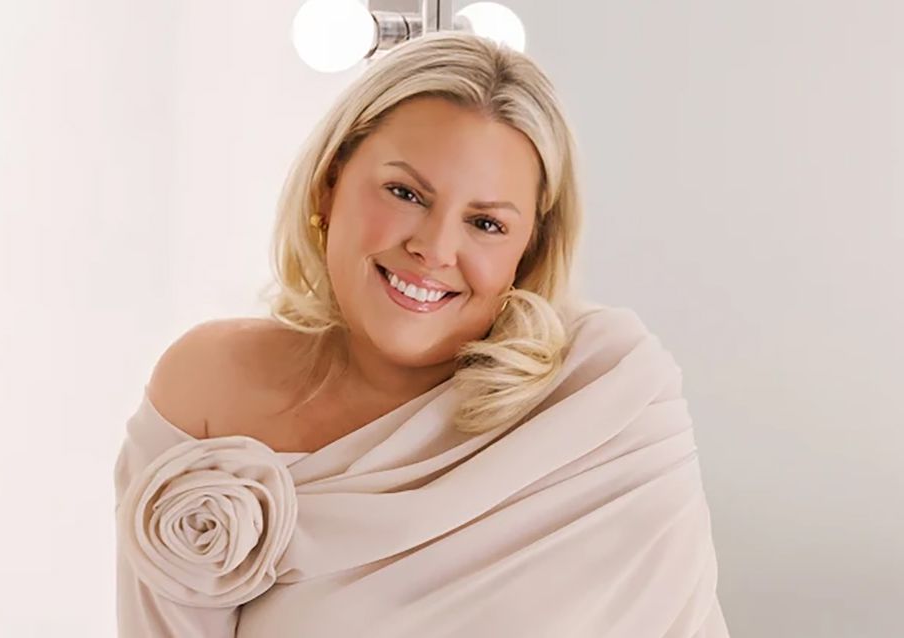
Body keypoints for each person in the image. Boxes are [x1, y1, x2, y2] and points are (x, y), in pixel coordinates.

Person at [114, 30, 730, 637]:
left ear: (530, 248)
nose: (434, 249)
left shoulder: (608, 391)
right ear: (329, 185)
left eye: (486, 223)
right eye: (405, 193)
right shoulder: (211, 388)